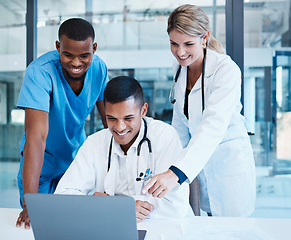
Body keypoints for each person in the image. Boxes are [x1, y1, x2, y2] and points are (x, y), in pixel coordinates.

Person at [142, 4, 256, 217]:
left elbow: (213, 127)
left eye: (188, 44)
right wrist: (164, 165)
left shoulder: (226, 70)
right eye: (173, 44)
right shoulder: (179, 70)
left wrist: (175, 173)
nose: (180, 52)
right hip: (198, 167)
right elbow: (179, 128)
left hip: (228, 168)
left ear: (205, 37)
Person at [54, 76, 194, 222]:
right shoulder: (95, 143)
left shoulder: (164, 137)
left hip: (165, 230)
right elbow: (63, 197)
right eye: (112, 118)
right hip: (113, 230)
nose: (120, 127)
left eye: (128, 118)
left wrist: (112, 205)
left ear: (143, 110)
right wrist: (119, 208)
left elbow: (174, 206)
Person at [16, 18, 109, 229]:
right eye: (68, 54)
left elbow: (109, 124)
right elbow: (36, 137)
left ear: (94, 48)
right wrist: (30, 201)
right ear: (58, 47)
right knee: (38, 226)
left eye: (84, 55)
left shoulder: (99, 69)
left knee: (74, 226)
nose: (76, 63)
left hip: (75, 164)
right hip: (41, 165)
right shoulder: (40, 72)